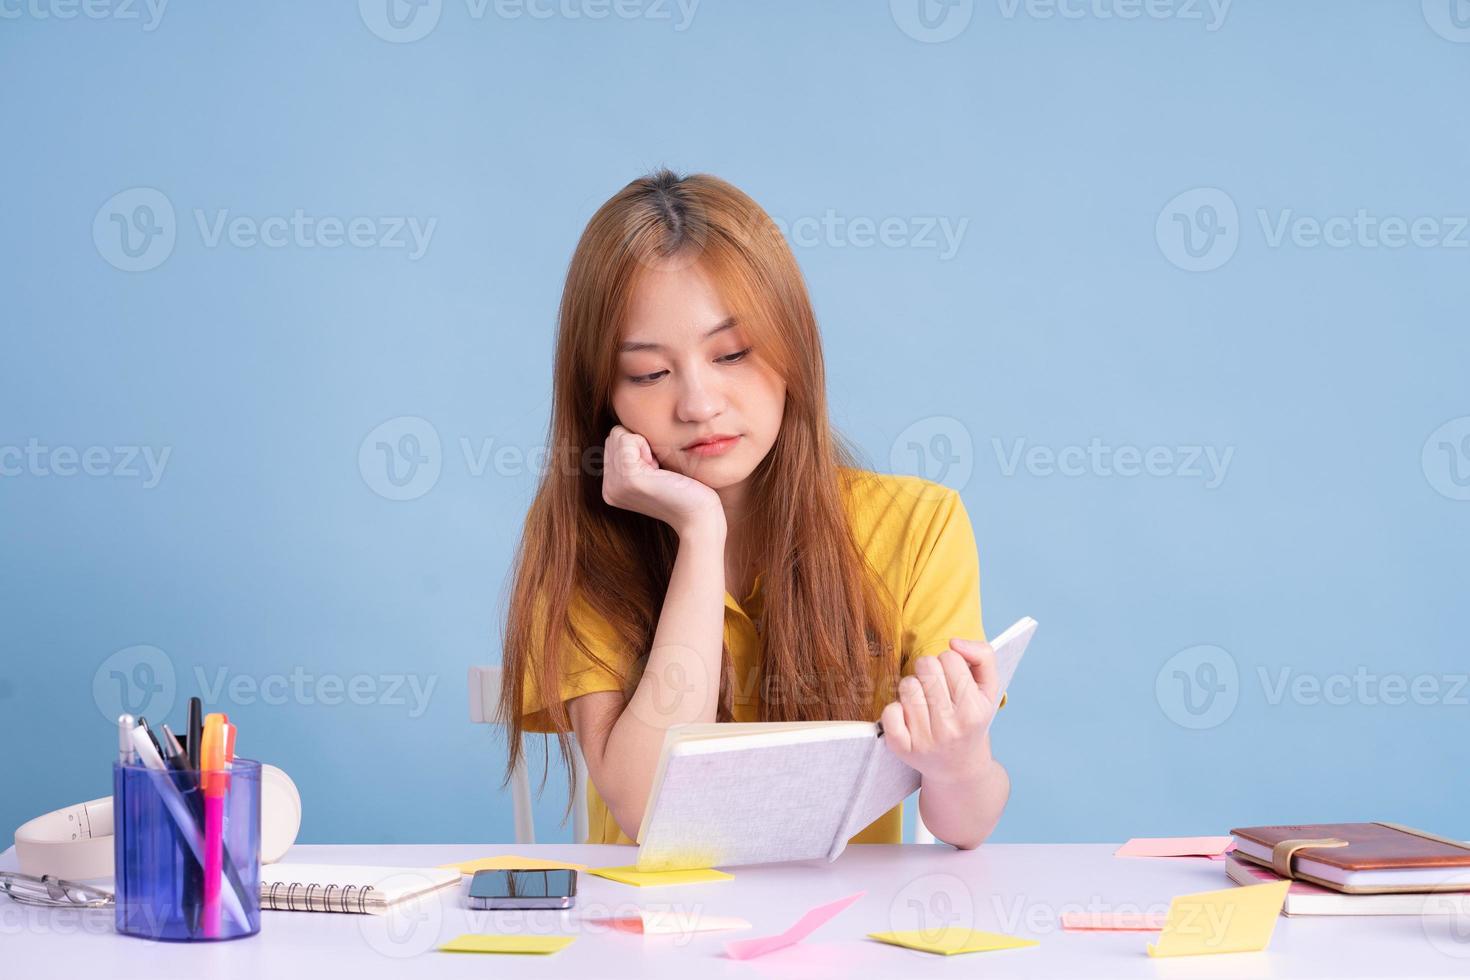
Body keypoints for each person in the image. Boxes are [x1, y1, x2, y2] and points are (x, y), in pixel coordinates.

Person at [499, 168, 1008, 849]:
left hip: (840, 942)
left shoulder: (918, 525)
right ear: (605, 399)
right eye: (649, 373)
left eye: (732, 353)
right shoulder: (583, 538)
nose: (699, 404)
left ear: (793, 347)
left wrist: (959, 759)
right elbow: (647, 809)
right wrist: (699, 533)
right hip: (649, 942)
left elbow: (967, 826)